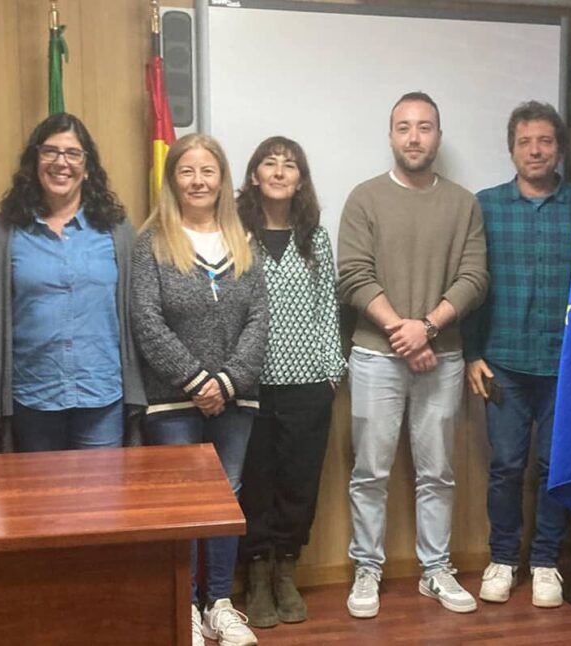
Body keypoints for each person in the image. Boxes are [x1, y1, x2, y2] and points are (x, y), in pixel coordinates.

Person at [338, 91, 488, 619]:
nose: (414, 137)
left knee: (438, 472)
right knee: (370, 472)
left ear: (438, 137)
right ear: (391, 136)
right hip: (375, 357)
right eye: (404, 127)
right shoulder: (364, 198)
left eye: (425, 127)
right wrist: (402, 332)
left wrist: (425, 329)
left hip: (442, 357)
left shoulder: (463, 204)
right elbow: (353, 275)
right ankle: (367, 569)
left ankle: (436, 569)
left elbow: (474, 278)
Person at [131, 133, 268, 646]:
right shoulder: (151, 243)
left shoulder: (243, 242)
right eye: (187, 171)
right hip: (172, 399)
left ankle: (220, 604)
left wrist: (226, 382)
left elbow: (259, 320)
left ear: (222, 180)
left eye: (207, 171)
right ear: (172, 180)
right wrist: (195, 380)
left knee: (226, 497)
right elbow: (146, 320)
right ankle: (183, 605)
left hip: (236, 398)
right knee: (182, 504)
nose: (198, 181)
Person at [462, 101, 571, 609]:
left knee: (555, 466)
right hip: (503, 362)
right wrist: (471, 353)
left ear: (559, 148)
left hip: (564, 367)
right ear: (511, 149)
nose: (535, 151)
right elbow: (470, 283)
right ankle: (504, 558)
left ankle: (547, 562)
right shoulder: (485, 205)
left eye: (545, 141)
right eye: (525, 142)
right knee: (507, 466)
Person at [0, 113, 144, 452]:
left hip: (101, 393)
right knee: (39, 489)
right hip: (32, 394)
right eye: (50, 151)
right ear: (35, 160)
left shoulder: (115, 228)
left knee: (102, 489)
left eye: (73, 153)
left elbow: (138, 307)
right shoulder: (7, 229)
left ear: (87, 166)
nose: (61, 162)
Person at [235, 136, 346, 628]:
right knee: (256, 482)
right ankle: (257, 574)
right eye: (269, 163)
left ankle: (286, 570)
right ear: (254, 175)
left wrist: (330, 373)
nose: (279, 172)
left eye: (290, 165)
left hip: (307, 384)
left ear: (301, 180)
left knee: (299, 483)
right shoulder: (236, 234)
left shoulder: (314, 237)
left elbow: (327, 308)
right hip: (250, 384)